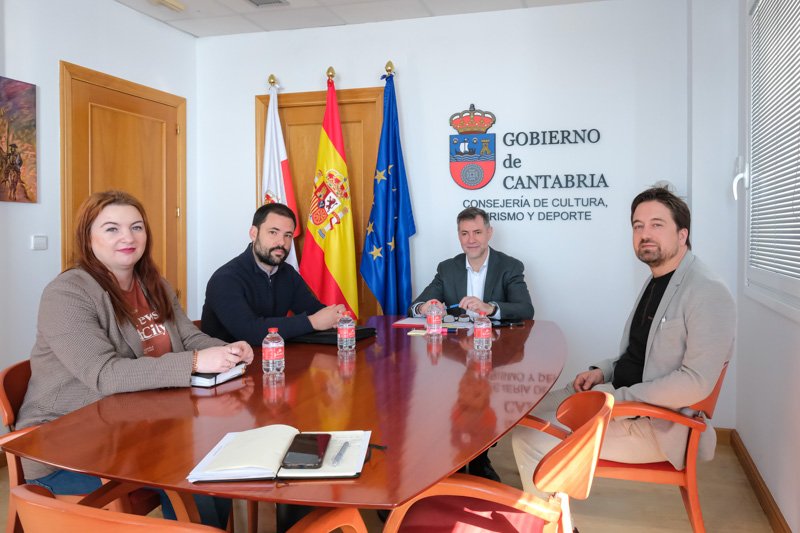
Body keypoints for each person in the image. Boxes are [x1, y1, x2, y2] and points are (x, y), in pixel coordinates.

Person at [16, 190, 253, 528]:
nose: (128, 237)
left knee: (217, 452)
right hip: (64, 446)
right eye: (112, 228)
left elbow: (187, 337)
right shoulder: (67, 294)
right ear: (88, 237)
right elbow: (105, 375)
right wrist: (196, 362)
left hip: (134, 427)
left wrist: (227, 350)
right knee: (198, 466)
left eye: (136, 227)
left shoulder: (152, 283)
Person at [511, 186, 736, 497]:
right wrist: (602, 372)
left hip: (656, 426)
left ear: (682, 234)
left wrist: (616, 399)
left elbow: (696, 382)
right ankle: (553, 511)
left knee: (530, 438)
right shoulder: (658, 278)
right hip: (621, 398)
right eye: (637, 225)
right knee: (524, 413)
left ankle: (549, 523)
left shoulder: (708, 291)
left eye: (657, 225)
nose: (645, 234)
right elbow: (640, 354)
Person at [409, 206, 534, 482]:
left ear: (489, 232)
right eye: (464, 233)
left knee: (485, 401)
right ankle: (448, 458)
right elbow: (416, 305)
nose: (471, 239)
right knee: (438, 397)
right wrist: (427, 308)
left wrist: (490, 308)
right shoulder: (448, 267)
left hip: (496, 355)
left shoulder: (509, 266)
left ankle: (480, 459)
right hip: (456, 358)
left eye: (477, 232)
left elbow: (525, 309)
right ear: (459, 236)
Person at [201, 203, 345, 345]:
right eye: (273, 232)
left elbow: (314, 310)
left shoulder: (288, 273)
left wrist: (335, 316)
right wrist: (312, 322)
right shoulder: (225, 279)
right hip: (229, 365)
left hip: (275, 359)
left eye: (288, 235)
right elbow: (249, 331)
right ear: (253, 234)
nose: (281, 242)